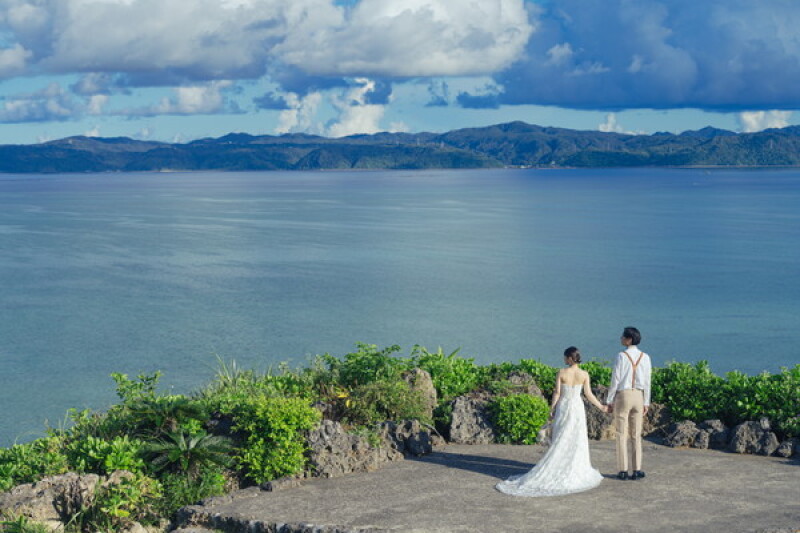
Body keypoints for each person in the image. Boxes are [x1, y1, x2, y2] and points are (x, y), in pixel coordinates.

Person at [496, 346, 608, 497]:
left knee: (561, 435)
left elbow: (557, 392)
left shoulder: (562, 373)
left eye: (565, 357)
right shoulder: (584, 374)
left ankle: (558, 465)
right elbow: (588, 394)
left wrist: (552, 408)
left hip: (564, 406)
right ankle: (573, 467)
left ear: (570, 358)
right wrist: (601, 406)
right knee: (576, 437)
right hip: (577, 408)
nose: (564, 359)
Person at [606, 326, 652, 481]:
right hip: (639, 395)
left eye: (623, 336)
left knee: (621, 433)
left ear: (629, 339)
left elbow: (615, 379)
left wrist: (609, 400)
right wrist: (646, 402)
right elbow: (647, 382)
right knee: (636, 434)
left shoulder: (621, 356)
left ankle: (623, 470)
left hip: (624, 395)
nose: (621, 338)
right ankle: (637, 469)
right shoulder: (645, 357)